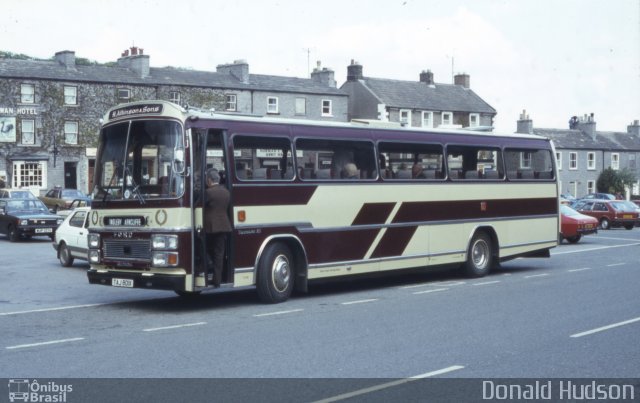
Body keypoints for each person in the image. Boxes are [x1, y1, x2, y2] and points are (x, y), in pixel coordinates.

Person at [204, 168, 232, 287]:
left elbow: (198, 205)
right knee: (219, 254)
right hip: (224, 226)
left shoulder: (208, 193)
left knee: (206, 249)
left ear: (209, 180)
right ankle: (217, 280)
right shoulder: (226, 192)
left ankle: (206, 273)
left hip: (210, 227)